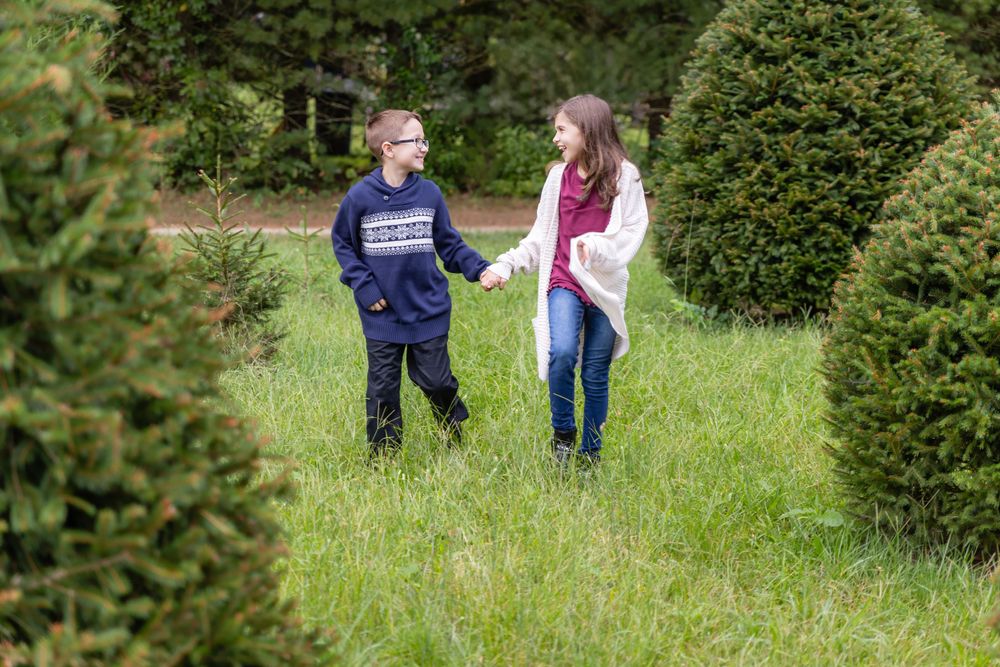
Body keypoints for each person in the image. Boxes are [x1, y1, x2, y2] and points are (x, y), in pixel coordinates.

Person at [481, 94, 649, 465]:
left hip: (604, 289)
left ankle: (590, 454)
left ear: (587, 130)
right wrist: (504, 265)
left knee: (594, 373)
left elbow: (633, 232)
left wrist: (596, 248)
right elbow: (541, 236)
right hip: (564, 282)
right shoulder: (559, 178)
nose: (556, 139)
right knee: (560, 355)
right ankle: (562, 432)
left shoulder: (626, 176)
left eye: (562, 130)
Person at [333, 109, 491, 458]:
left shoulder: (429, 194)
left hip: (427, 308)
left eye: (424, 140)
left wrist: (480, 269)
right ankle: (383, 456)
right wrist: (364, 286)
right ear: (388, 149)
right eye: (416, 141)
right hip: (382, 313)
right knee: (383, 387)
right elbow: (343, 244)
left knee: (435, 380)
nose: (424, 148)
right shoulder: (360, 197)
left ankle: (451, 426)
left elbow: (449, 244)